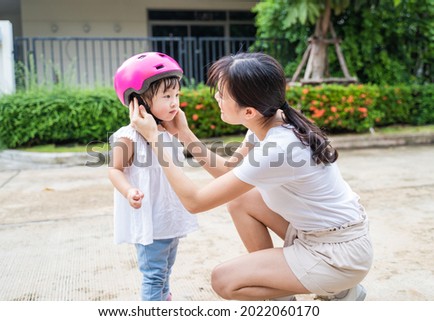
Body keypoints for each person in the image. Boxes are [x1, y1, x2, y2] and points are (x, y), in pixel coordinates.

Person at [130, 52, 373, 301]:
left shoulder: (279, 148)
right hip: (329, 235)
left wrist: (154, 139)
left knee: (224, 280)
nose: (216, 97)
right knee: (240, 200)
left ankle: (338, 289)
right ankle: (285, 296)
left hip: (336, 255)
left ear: (248, 112)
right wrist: (184, 134)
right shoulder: (271, 119)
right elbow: (228, 171)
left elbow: (195, 202)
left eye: (222, 94)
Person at [109, 52, 198, 301]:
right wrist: (128, 191)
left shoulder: (168, 131)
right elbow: (114, 170)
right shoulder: (129, 136)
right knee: (154, 275)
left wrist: (182, 132)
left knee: (166, 271)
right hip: (150, 221)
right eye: (166, 96)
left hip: (169, 219)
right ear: (140, 104)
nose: (174, 103)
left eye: (177, 95)